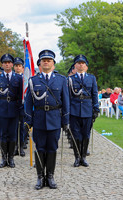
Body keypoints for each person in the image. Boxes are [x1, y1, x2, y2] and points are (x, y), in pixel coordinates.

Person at [24, 49, 69, 190]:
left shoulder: (62, 80)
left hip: (55, 119)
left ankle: (50, 176)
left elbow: (66, 101)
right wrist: (28, 121)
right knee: (40, 148)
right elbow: (28, 103)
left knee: (52, 148)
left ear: (53, 64)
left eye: (49, 60)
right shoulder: (33, 80)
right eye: (44, 60)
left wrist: (65, 120)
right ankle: (40, 177)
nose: (46, 62)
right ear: (40, 64)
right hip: (39, 119)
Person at [0, 54, 23, 168]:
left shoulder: (19, 78)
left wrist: (22, 111)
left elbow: (21, 96)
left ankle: (11, 158)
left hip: (14, 110)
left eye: (9, 62)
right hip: (2, 110)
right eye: (5, 62)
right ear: (2, 65)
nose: (7, 64)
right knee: (3, 135)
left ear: (12, 64)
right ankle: (4, 158)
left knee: (13, 135)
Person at [68, 54, 99, 168]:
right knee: (76, 135)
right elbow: (68, 96)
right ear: (75, 66)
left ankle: (83, 157)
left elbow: (94, 94)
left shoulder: (91, 78)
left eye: (83, 63)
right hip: (74, 110)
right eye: (78, 63)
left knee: (86, 134)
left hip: (87, 109)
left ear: (86, 66)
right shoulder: (70, 79)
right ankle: (77, 157)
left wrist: (96, 108)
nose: (81, 65)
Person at [13, 57, 26, 157]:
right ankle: (14, 147)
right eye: (16, 66)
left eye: (19, 66)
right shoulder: (11, 77)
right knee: (13, 128)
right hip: (13, 106)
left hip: (23, 106)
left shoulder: (26, 78)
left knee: (22, 128)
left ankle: (21, 146)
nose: (18, 68)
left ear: (22, 67)